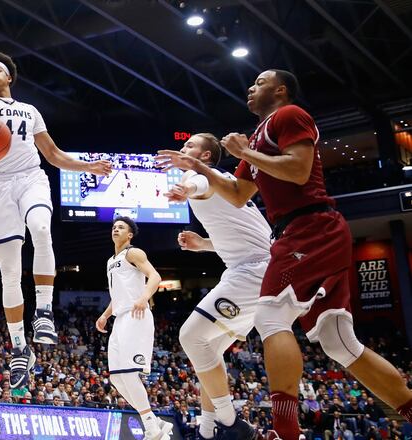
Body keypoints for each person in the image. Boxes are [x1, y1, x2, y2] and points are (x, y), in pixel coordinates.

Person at [157, 69, 412, 440]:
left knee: (269, 315)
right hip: (297, 237)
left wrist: (216, 166)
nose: (250, 87)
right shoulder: (256, 140)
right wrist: (204, 167)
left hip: (310, 227)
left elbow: (298, 169)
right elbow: (238, 193)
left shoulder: (288, 115)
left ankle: (279, 431)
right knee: (339, 342)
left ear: (280, 90)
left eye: (259, 83)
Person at [0, 50, 111, 388]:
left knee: (40, 229)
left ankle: (44, 311)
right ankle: (20, 348)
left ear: (10, 77)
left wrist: (87, 167)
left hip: (31, 178)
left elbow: (52, 154)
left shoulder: (29, 111)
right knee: (8, 274)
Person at [160, 133, 272, 440]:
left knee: (191, 336)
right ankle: (208, 432)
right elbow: (243, 236)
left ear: (206, 157)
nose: (184, 150)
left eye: (190, 146)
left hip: (252, 274)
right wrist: (205, 245)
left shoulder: (201, 178)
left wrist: (184, 188)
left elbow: (198, 184)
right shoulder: (225, 183)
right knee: (206, 354)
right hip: (255, 269)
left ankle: (231, 423)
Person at [95, 217, 171, 440]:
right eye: (114, 227)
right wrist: (105, 315)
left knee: (128, 374)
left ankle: (151, 427)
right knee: (117, 378)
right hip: (120, 318)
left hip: (136, 315)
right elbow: (118, 294)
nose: (115, 229)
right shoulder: (111, 260)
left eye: (121, 227)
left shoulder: (133, 253)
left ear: (129, 235)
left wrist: (144, 298)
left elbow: (155, 276)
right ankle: (154, 422)